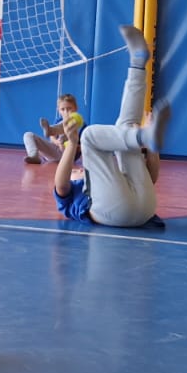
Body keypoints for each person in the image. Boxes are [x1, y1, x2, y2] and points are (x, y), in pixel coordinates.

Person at [52, 25, 168, 229]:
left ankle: (137, 64)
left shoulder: (110, 178)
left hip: (144, 206)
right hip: (113, 212)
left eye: (77, 168)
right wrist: (72, 144)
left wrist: (151, 149)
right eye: (75, 171)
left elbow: (150, 178)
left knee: (125, 128)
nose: (79, 169)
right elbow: (61, 185)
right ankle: (143, 136)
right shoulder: (73, 193)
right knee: (88, 136)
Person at [23, 93, 80, 165]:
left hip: (68, 154)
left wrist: (68, 145)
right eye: (62, 109)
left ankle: (51, 130)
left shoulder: (80, 123)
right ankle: (34, 155)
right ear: (58, 110)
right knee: (28, 135)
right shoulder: (58, 120)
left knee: (70, 123)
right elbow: (52, 138)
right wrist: (57, 142)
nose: (66, 112)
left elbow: (82, 146)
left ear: (76, 108)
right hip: (54, 151)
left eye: (69, 109)